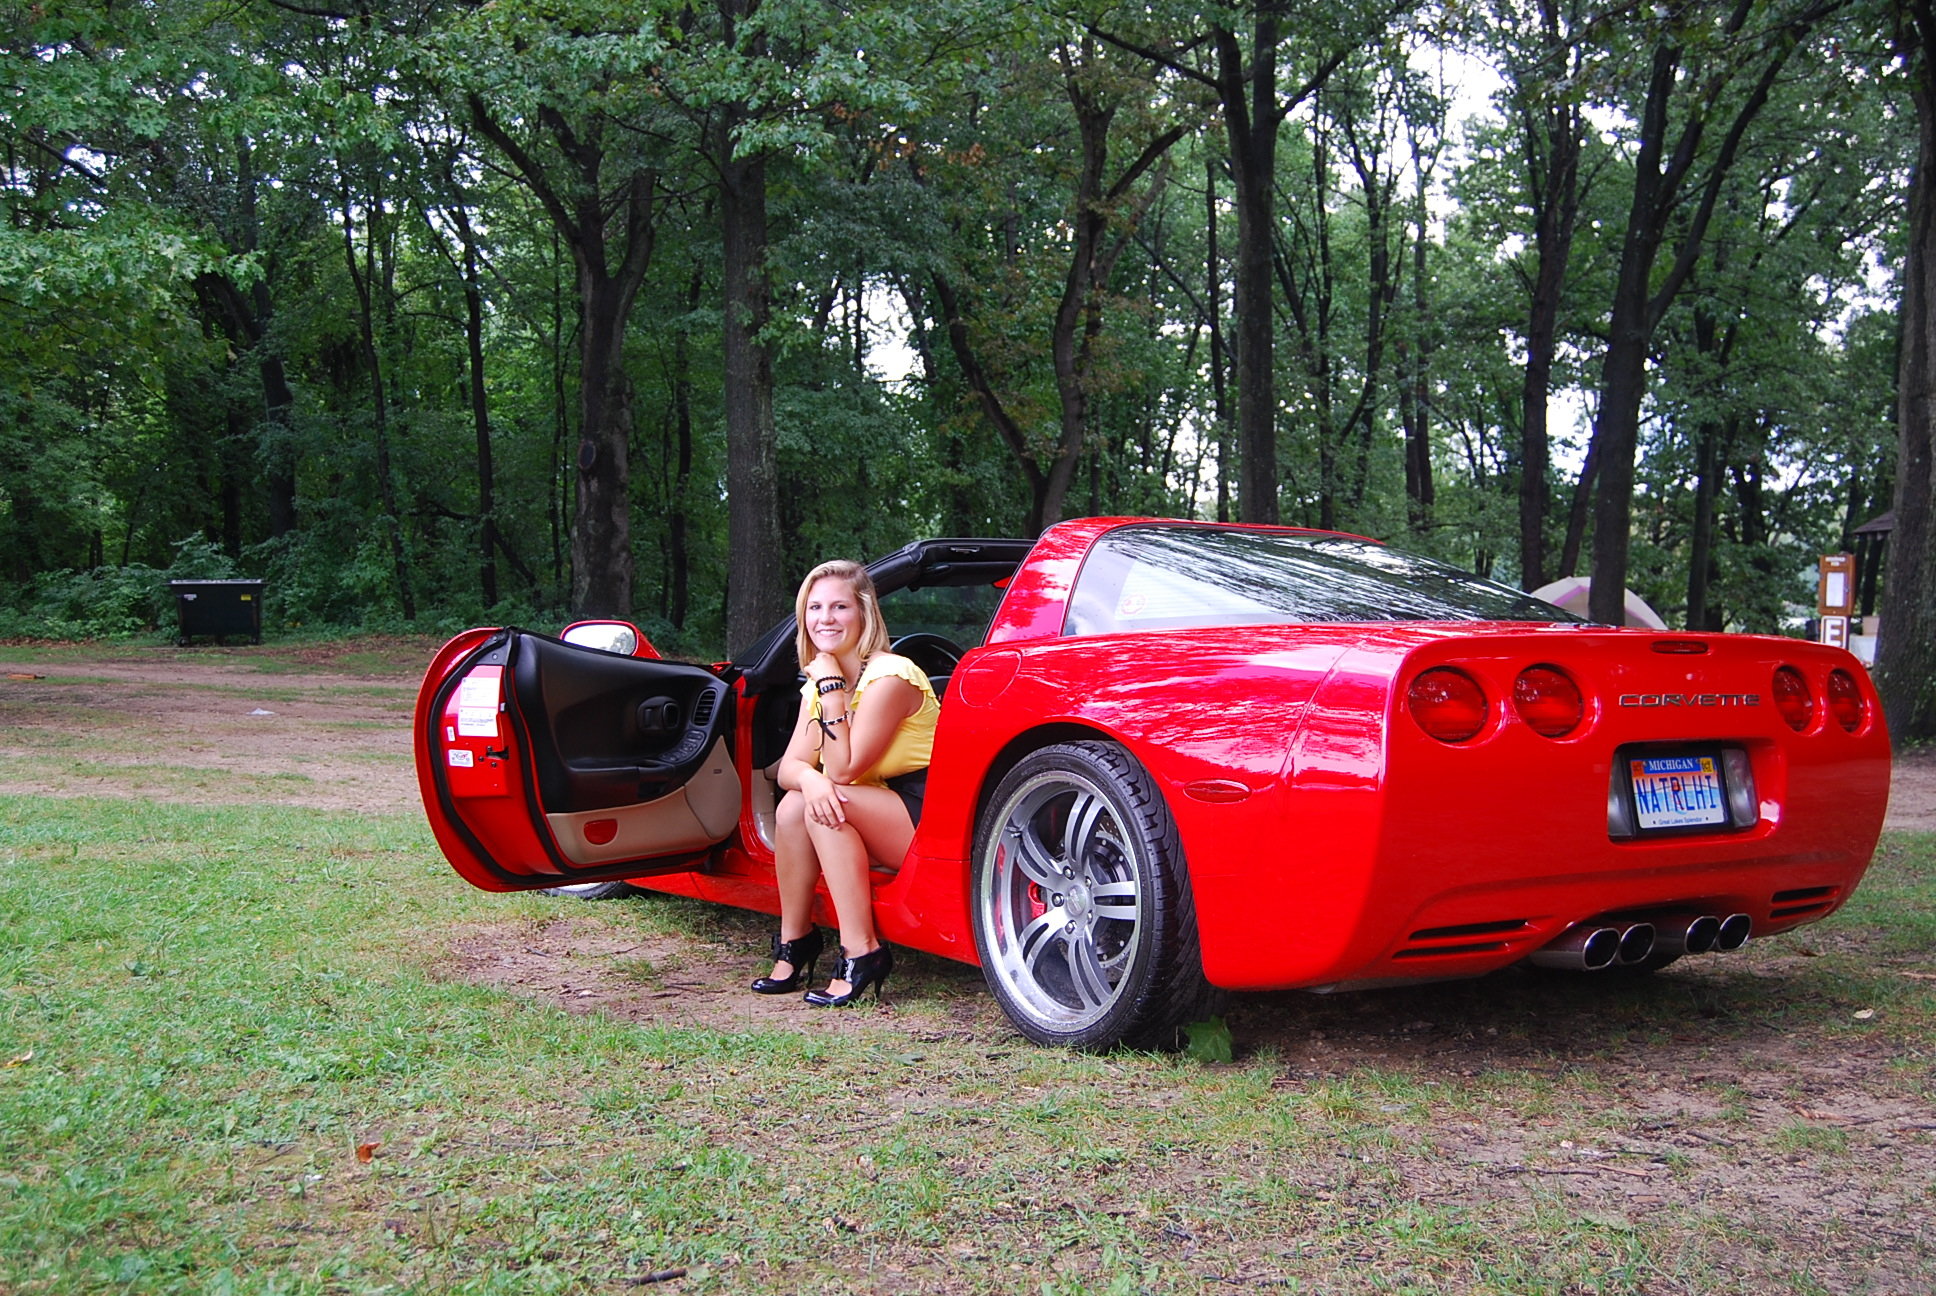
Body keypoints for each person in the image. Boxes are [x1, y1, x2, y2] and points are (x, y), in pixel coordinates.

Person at [750, 559, 938, 1006]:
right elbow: (791, 765)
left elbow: (844, 770)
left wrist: (832, 690)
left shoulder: (891, 676)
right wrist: (810, 784)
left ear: (864, 614)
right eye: (815, 608)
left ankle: (862, 949)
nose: (825, 619)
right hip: (875, 806)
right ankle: (796, 940)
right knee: (795, 806)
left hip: (928, 817)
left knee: (824, 803)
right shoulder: (820, 683)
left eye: (839, 607)